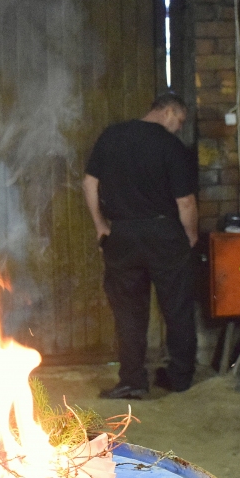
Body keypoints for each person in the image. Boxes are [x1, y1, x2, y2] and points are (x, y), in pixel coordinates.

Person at [83, 93, 198, 399]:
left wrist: (101, 226)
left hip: (122, 234)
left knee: (128, 312)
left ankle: (132, 380)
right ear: (169, 111)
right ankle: (180, 377)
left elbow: (89, 184)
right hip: (165, 232)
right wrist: (191, 234)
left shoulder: (112, 137)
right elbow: (185, 201)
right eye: (180, 121)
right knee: (176, 306)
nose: (178, 128)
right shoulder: (171, 147)